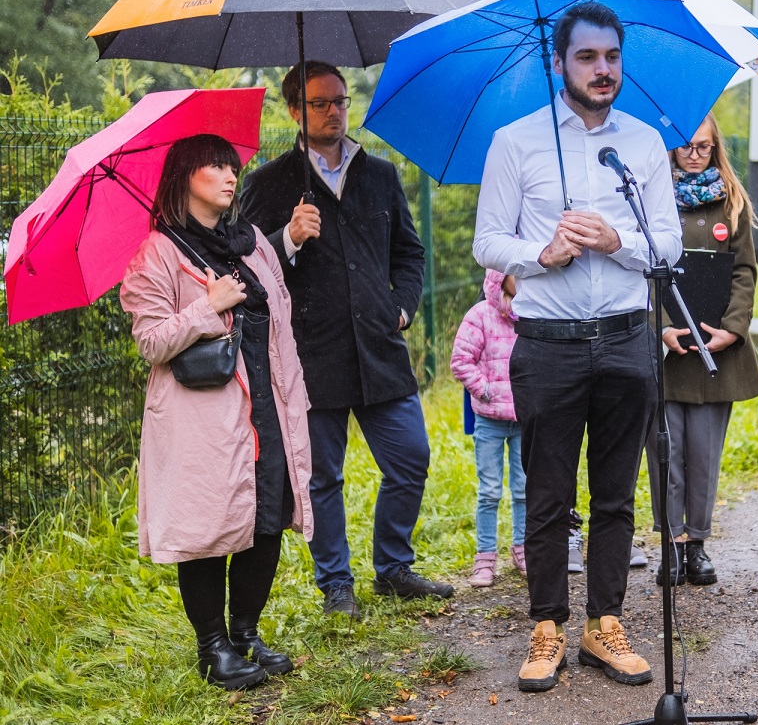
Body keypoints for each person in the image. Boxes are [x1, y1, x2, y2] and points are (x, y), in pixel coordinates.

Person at [474, 1, 682, 693]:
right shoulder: (516, 142)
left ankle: (605, 622)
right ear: (558, 62)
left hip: (626, 340)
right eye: (588, 57)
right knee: (548, 495)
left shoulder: (644, 145)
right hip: (548, 346)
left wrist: (618, 241)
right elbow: (487, 241)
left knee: (616, 493)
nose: (602, 69)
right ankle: (547, 626)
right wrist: (542, 253)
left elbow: (670, 244)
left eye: (612, 57)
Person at [241, 60, 452, 619]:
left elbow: (409, 253)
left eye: (340, 101)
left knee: (411, 458)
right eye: (320, 103)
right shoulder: (268, 184)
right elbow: (248, 273)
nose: (334, 112)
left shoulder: (379, 175)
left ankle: (394, 568)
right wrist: (288, 238)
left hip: (380, 347)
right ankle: (336, 584)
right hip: (311, 354)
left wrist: (401, 306)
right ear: (294, 110)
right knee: (321, 477)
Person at [120, 134, 314, 690]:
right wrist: (208, 306)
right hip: (202, 416)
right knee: (208, 526)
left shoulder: (252, 244)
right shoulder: (157, 253)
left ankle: (245, 634)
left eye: (232, 167)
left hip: (268, 403)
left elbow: (280, 319)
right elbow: (151, 342)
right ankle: (212, 647)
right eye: (215, 167)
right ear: (184, 176)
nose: (230, 176)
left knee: (268, 516)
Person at [647, 112, 758, 587]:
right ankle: (670, 545)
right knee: (666, 452)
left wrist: (732, 330)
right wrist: (660, 327)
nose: (694, 154)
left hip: (715, 349)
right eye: (686, 146)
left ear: (716, 147)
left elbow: (744, 271)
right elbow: (640, 269)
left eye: (704, 146)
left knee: (703, 454)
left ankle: (696, 544)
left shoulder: (731, 201)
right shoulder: (651, 198)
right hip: (667, 349)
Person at [451, 270, 527, 587]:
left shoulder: (533, 314)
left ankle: (523, 549)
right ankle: (484, 558)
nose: (521, 279)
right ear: (500, 277)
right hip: (489, 419)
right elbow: (461, 360)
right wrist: (484, 390)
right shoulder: (480, 315)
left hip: (523, 419)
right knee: (490, 491)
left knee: (524, 489)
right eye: (514, 273)